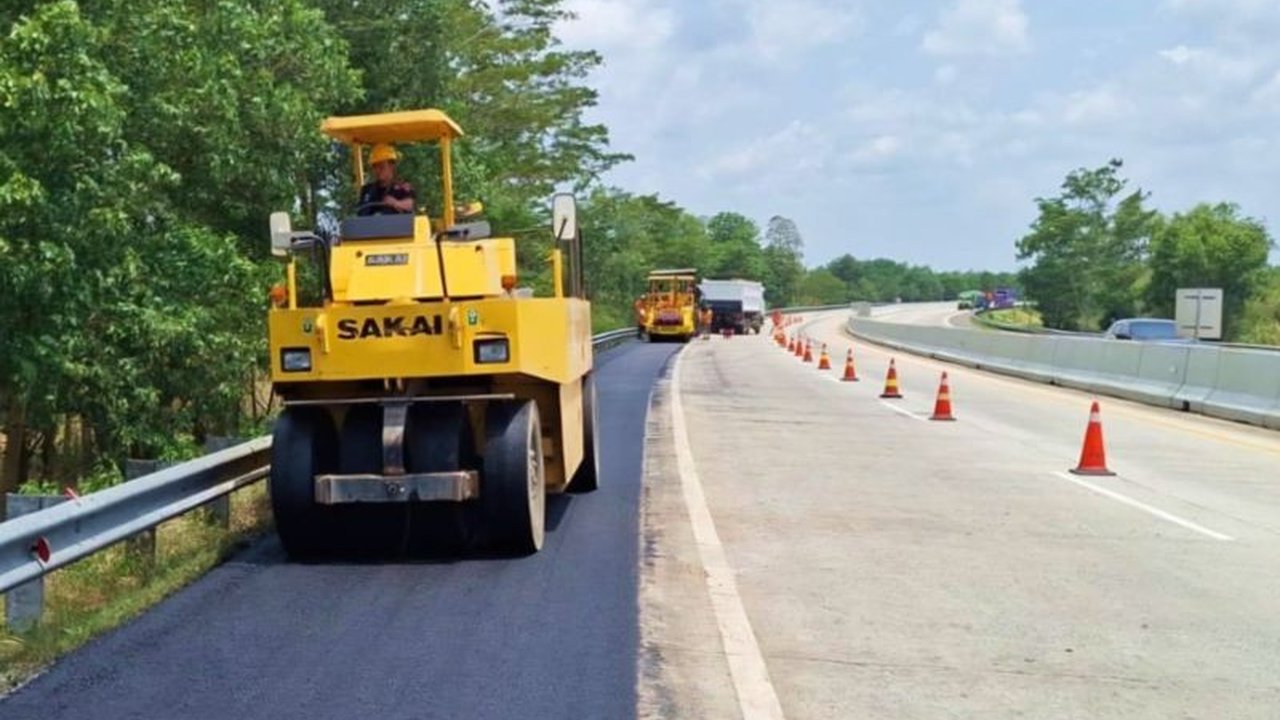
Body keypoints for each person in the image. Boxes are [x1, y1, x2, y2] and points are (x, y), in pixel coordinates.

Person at [357, 144, 416, 216]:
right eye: (375, 167)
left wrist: (395, 203)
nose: (378, 170)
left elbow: (411, 204)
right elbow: (360, 212)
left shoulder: (403, 187)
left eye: (381, 166)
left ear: (392, 166)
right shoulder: (367, 190)